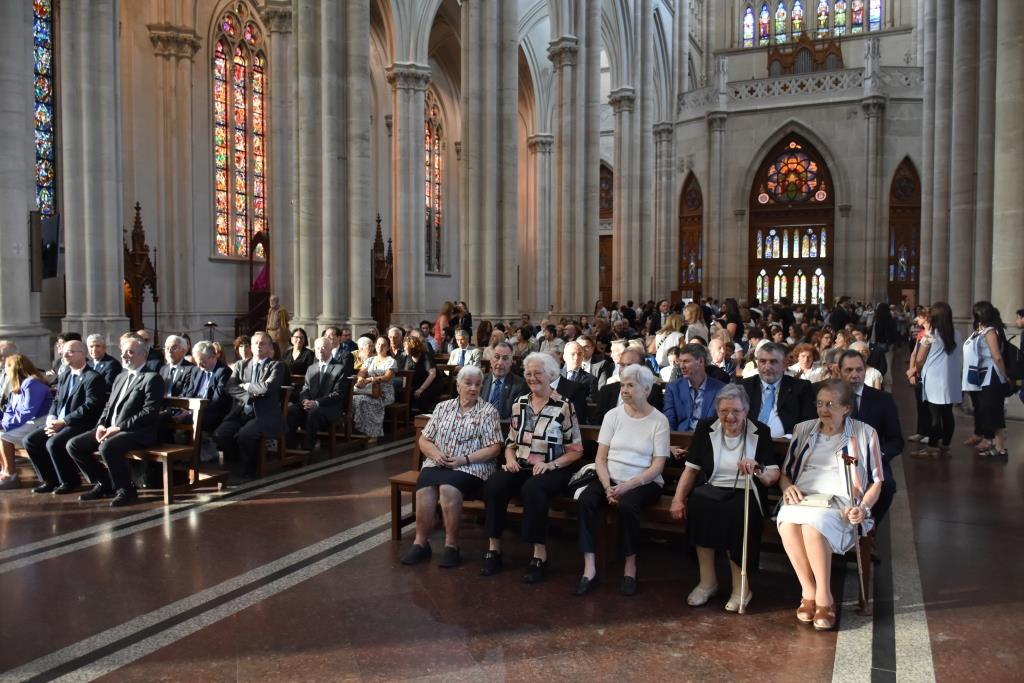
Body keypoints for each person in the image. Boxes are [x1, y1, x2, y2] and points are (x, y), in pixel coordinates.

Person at [776, 379, 884, 631]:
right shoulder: (804, 430)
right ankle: (808, 591)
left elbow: (878, 481)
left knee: (814, 526)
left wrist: (864, 508)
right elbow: (784, 474)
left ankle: (824, 597)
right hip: (803, 498)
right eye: (820, 404)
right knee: (787, 522)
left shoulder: (865, 433)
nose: (823, 410)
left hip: (842, 503)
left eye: (831, 404)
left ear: (846, 408)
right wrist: (786, 487)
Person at [670, 384, 780, 611]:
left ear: (746, 411)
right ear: (717, 410)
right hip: (713, 487)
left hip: (747, 490)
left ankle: (742, 588)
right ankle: (707, 582)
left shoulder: (761, 431)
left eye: (736, 411)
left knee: (735, 513)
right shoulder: (705, 428)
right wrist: (678, 499)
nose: (730, 417)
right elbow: (691, 470)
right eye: (724, 411)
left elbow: (772, 476)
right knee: (699, 506)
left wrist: (757, 468)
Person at [481, 352, 583, 582]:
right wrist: (510, 460)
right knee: (494, 485)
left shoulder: (563, 406)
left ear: (551, 375)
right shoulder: (520, 403)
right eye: (528, 373)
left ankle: (539, 555)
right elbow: (510, 443)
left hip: (554, 468)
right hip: (522, 466)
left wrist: (551, 464)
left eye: (538, 373)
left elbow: (576, 450)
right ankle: (493, 548)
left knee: (533, 489)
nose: (532, 378)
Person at [574, 365, 669, 596]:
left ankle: (630, 566)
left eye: (630, 385)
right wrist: (608, 487)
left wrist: (627, 486)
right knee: (586, 500)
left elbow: (657, 466)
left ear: (646, 389)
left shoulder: (659, 421)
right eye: (623, 385)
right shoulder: (612, 416)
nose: (624, 390)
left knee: (628, 505)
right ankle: (589, 567)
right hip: (610, 477)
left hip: (644, 482)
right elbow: (600, 458)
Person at [401, 365, 503, 568]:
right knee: (425, 488)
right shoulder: (442, 408)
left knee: (448, 488)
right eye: (468, 383)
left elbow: (494, 449)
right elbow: (424, 440)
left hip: (472, 466)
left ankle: (451, 546)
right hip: (438, 462)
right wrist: (436, 454)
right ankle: (421, 543)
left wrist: (463, 459)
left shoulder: (488, 411)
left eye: (477, 384)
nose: (473, 388)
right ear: (458, 385)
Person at [66, 335, 165, 506]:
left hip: (137, 432)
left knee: (107, 447)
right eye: (123, 352)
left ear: (143, 355)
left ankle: (126, 490)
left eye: (130, 352)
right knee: (74, 445)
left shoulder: (151, 378)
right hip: (112, 428)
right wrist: (101, 425)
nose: (125, 356)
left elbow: (149, 412)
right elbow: (108, 406)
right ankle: (103, 483)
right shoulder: (120, 377)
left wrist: (118, 428)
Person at [24, 341, 105, 494]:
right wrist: (51, 417)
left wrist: (64, 422)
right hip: (59, 421)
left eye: (70, 352)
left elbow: (90, 406)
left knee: (53, 443)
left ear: (82, 354)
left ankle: (69, 481)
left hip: (80, 423)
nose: (65, 355)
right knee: (30, 441)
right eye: (64, 352)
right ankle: (50, 480)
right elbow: (57, 400)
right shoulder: (65, 374)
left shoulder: (93, 377)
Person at [214, 331, 289, 482]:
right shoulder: (241, 365)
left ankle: (250, 469)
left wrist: (247, 385)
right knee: (220, 434)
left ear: (269, 348)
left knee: (245, 435)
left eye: (263, 343)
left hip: (264, 414)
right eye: (255, 343)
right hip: (241, 412)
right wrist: (248, 396)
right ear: (251, 347)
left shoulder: (276, 366)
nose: (258, 346)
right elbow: (230, 387)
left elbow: (268, 388)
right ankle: (236, 463)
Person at [838, 350, 902, 522]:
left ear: (865, 370)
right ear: (839, 372)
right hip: (836, 458)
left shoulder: (883, 400)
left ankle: (868, 526)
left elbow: (896, 441)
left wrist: (878, 455)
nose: (855, 375)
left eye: (859, 370)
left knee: (887, 486)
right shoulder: (829, 398)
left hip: (872, 460)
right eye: (849, 370)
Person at [739, 342, 816, 438]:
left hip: (785, 447)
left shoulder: (801, 388)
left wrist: (790, 438)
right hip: (747, 443)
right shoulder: (744, 387)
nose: (767, 367)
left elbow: (809, 421)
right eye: (763, 361)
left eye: (773, 362)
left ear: (784, 364)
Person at [914, 302, 962, 456]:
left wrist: (915, 370)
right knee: (947, 413)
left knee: (934, 415)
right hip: (951, 378)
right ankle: (945, 445)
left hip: (934, 379)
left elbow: (920, 360)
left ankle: (932, 446)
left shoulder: (931, 336)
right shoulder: (956, 334)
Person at [961, 301, 1009, 457]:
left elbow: (997, 356)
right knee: (988, 411)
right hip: (983, 376)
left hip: (992, 376)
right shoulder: (982, 331)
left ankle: (1000, 447)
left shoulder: (990, 332)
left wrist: (1004, 375)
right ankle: (993, 444)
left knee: (994, 411)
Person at [0, 354, 54, 488]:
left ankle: (11, 475)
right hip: (27, 422)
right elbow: (10, 410)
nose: (4, 369)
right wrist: (4, 423)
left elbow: (28, 411)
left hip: (41, 420)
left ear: (15, 368)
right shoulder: (17, 386)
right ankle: (5, 471)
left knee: (4, 437)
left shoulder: (32, 383)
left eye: (6, 366)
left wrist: (6, 425)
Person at [287, 337, 349, 453]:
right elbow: (305, 389)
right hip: (311, 404)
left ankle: (307, 449)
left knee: (314, 413)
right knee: (291, 411)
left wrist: (317, 403)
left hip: (330, 407)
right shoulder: (311, 368)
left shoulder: (340, 368)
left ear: (331, 349)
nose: (320, 350)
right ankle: (290, 448)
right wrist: (305, 400)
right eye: (317, 348)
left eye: (323, 348)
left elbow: (337, 394)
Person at [663, 343, 725, 432]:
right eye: (680, 361)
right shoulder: (673, 388)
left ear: (700, 361)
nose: (681, 366)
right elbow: (669, 422)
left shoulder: (721, 390)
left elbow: (721, 425)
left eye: (686, 361)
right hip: (680, 440)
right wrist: (672, 444)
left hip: (707, 442)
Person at [182, 340, 233, 431]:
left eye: (202, 362)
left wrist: (191, 412)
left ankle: (194, 444)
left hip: (211, 412)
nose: (198, 365)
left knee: (187, 419)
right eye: (197, 362)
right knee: (168, 415)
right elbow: (189, 394)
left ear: (213, 357)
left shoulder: (223, 371)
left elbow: (217, 401)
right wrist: (183, 409)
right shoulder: (196, 370)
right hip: (193, 409)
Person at [351, 337, 396, 439]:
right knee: (354, 399)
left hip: (383, 393)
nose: (380, 346)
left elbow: (387, 377)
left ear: (388, 347)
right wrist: (361, 380)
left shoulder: (391, 361)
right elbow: (361, 373)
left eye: (383, 345)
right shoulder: (370, 360)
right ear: (375, 346)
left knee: (363, 401)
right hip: (369, 390)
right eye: (378, 344)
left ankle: (372, 433)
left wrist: (370, 379)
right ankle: (358, 429)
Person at [479, 342, 528, 420]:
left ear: (511, 362)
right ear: (491, 360)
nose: (500, 362)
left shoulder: (520, 385)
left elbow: (515, 418)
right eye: (497, 357)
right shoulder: (480, 381)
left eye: (505, 358)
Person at [403, 335, 440, 415]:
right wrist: (406, 388)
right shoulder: (408, 357)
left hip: (431, 384)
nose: (404, 348)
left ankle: (423, 419)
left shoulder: (426, 356)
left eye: (406, 346)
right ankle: (408, 419)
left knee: (422, 396)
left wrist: (421, 389)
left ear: (412, 347)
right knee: (406, 394)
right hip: (417, 384)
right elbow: (406, 374)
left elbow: (432, 374)